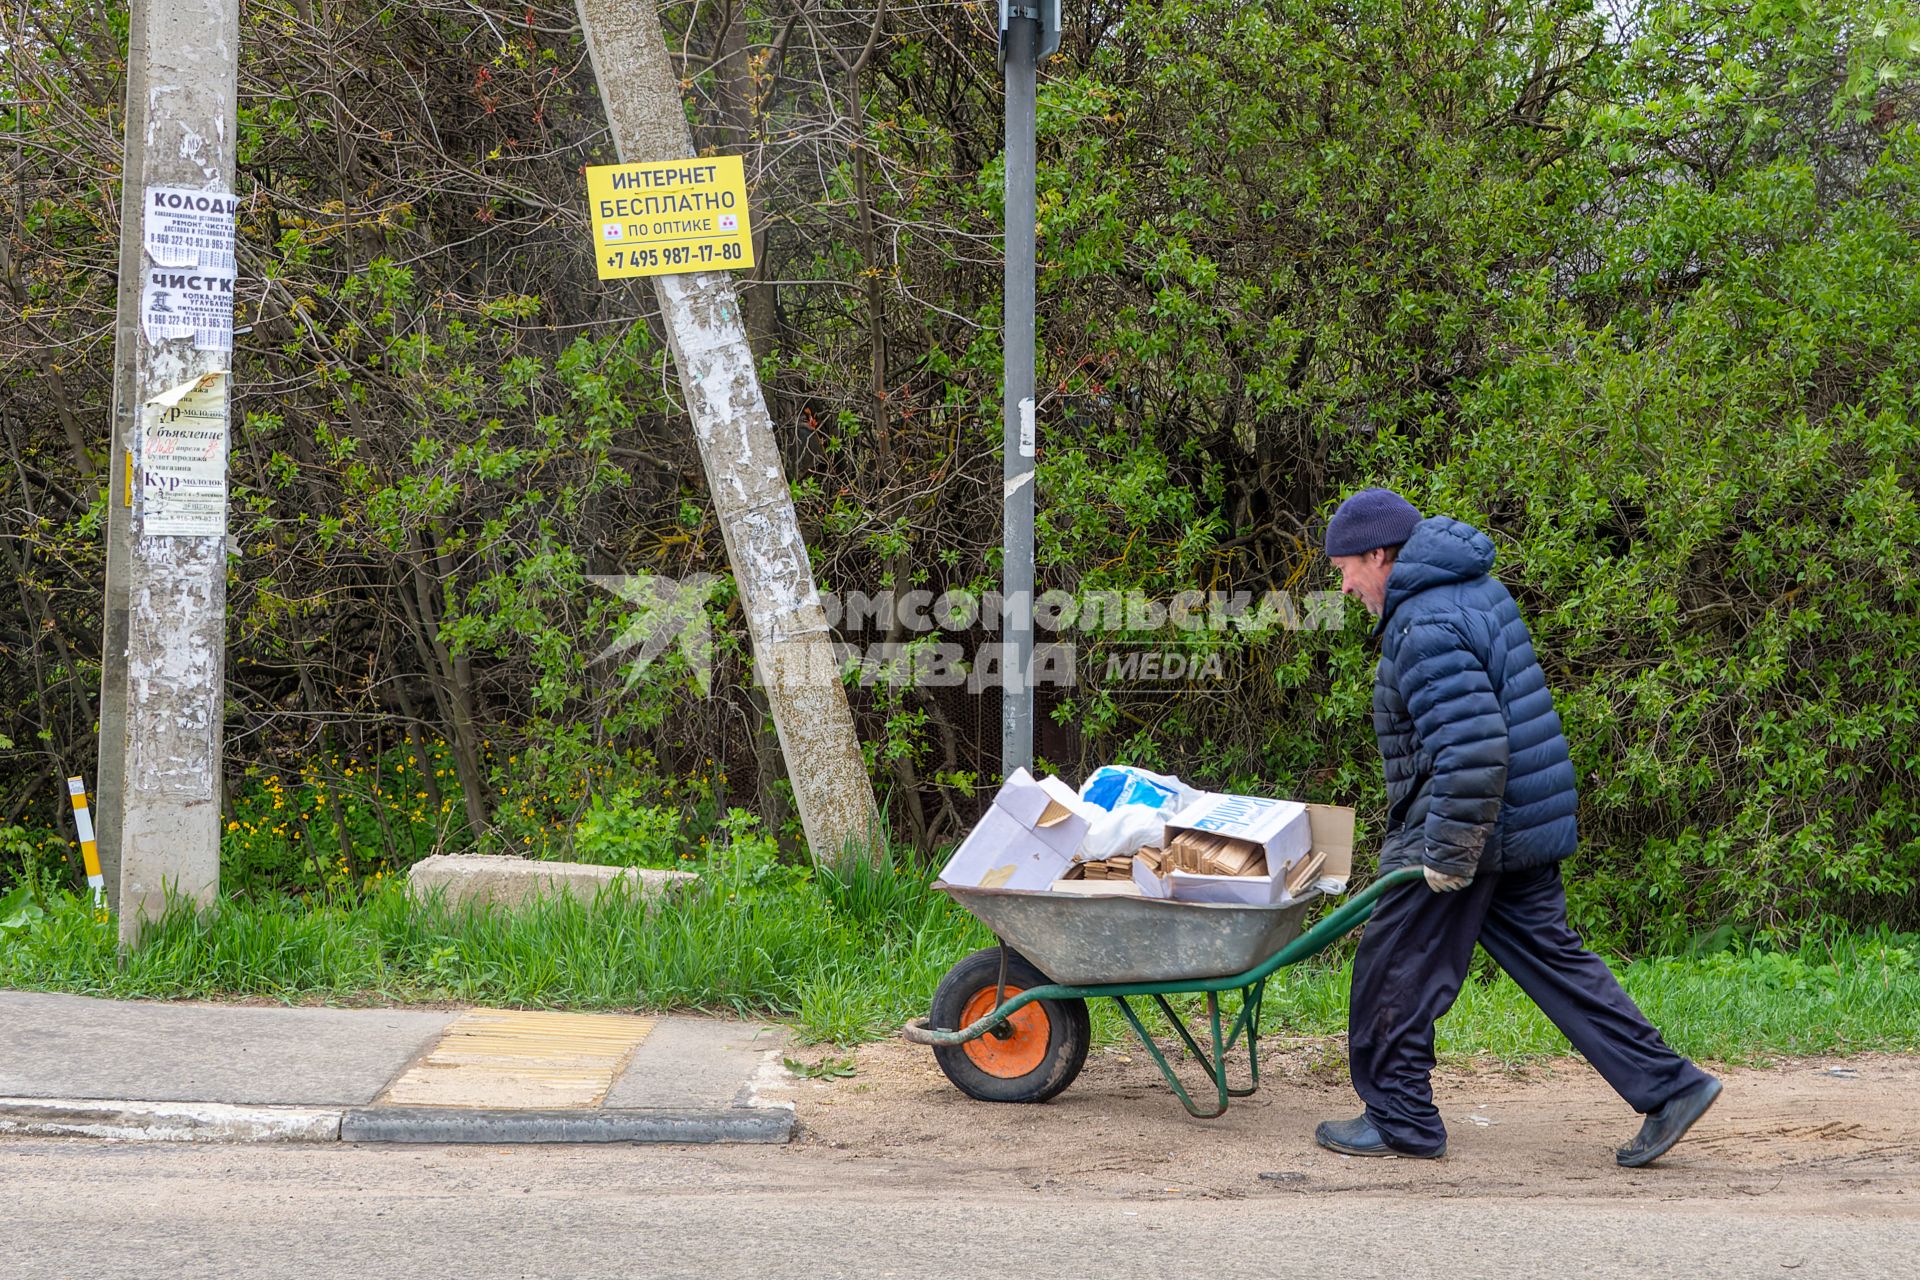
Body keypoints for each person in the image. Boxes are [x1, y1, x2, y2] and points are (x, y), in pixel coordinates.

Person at [1316, 488, 1721, 1166]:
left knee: (1394, 966)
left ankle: (1399, 1120)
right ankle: (1670, 1086)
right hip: (1515, 818)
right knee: (1554, 962)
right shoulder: (1470, 588)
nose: (1346, 584)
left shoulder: (1425, 624)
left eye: (1345, 568)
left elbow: (1473, 749)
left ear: (1379, 555)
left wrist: (1447, 852)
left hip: (1469, 824)